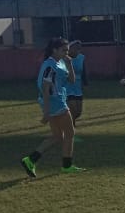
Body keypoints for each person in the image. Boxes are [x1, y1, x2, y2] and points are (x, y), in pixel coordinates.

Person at [21, 37, 84, 177]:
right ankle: (67, 166)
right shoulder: (50, 65)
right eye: (63, 50)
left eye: (67, 50)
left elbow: (72, 80)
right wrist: (47, 112)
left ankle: (30, 160)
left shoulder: (59, 62)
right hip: (55, 102)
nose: (66, 53)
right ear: (54, 50)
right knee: (70, 134)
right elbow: (45, 88)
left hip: (55, 100)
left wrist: (69, 64)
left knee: (57, 137)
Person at [66, 40, 88, 125]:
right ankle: (71, 125)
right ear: (69, 48)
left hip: (77, 86)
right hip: (67, 85)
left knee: (78, 112)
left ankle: (71, 121)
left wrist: (85, 83)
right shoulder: (64, 58)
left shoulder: (81, 58)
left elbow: (84, 71)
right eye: (75, 48)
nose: (77, 51)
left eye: (79, 49)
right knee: (73, 108)